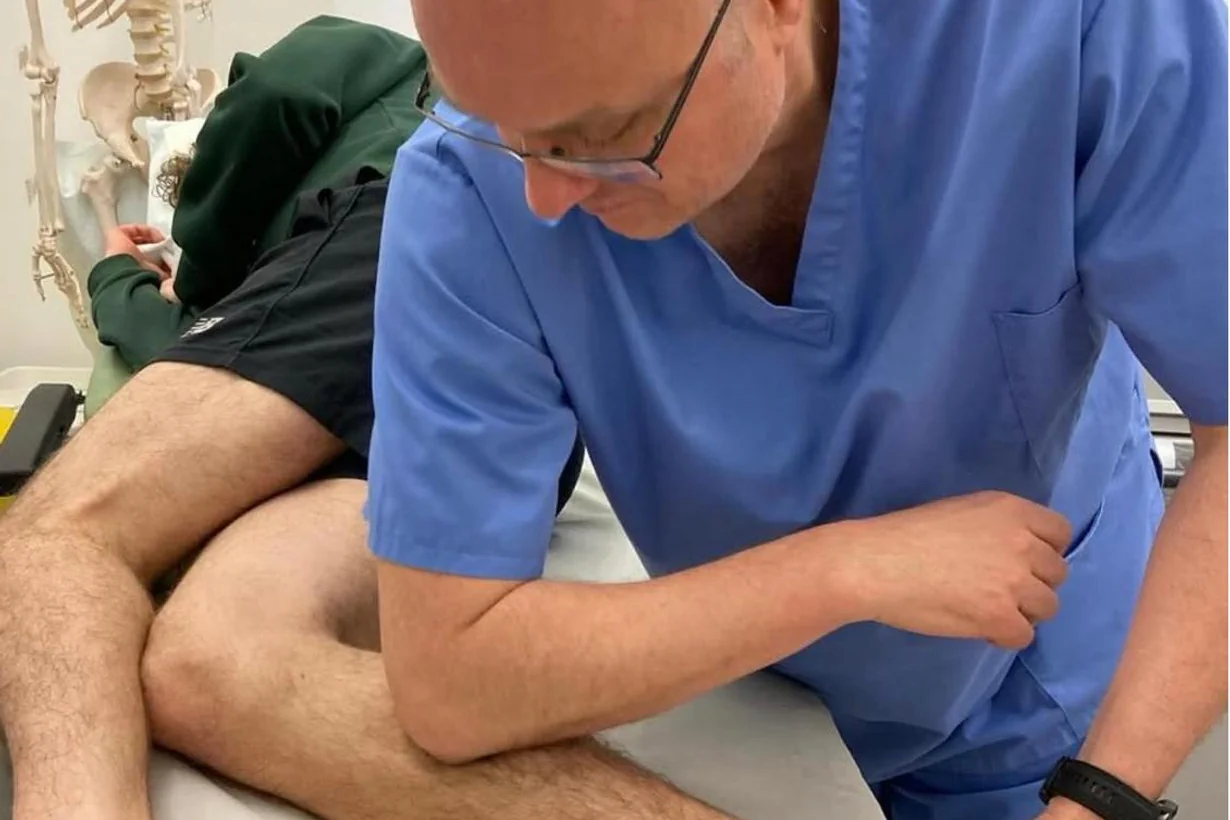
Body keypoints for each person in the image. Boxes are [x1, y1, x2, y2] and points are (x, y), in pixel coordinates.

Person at [0, 13, 880, 820]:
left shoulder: (405, 136)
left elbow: (252, 158)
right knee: (217, 662)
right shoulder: (500, 177)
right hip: (459, 411)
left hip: (378, 249)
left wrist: (156, 274)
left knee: (63, 532)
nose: (548, 175)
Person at [366, 1, 1229, 819]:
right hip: (767, 711)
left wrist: (1102, 796)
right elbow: (450, 675)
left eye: (604, 132)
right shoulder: (468, 190)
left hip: (1047, 682)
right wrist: (842, 572)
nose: (545, 198)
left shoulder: (1070, 30)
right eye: (494, 121)